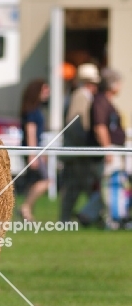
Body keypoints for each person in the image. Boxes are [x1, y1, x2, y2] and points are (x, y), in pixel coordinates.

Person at [79, 68, 127, 229]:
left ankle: (86, 214)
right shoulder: (100, 101)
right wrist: (108, 150)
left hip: (113, 149)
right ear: (112, 84)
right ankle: (112, 219)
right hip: (108, 150)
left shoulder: (105, 101)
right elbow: (100, 127)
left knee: (110, 185)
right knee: (110, 185)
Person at [60, 63, 100, 222]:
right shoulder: (82, 95)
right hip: (78, 150)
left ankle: (65, 219)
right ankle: (92, 215)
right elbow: (75, 122)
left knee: (74, 187)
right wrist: (86, 143)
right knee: (88, 184)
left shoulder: (78, 94)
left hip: (75, 150)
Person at [19, 79, 50, 221]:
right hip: (31, 150)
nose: (47, 93)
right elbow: (31, 132)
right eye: (44, 90)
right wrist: (33, 154)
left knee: (32, 182)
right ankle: (25, 207)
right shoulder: (32, 111)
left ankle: (27, 212)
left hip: (35, 150)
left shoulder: (36, 109)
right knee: (45, 181)